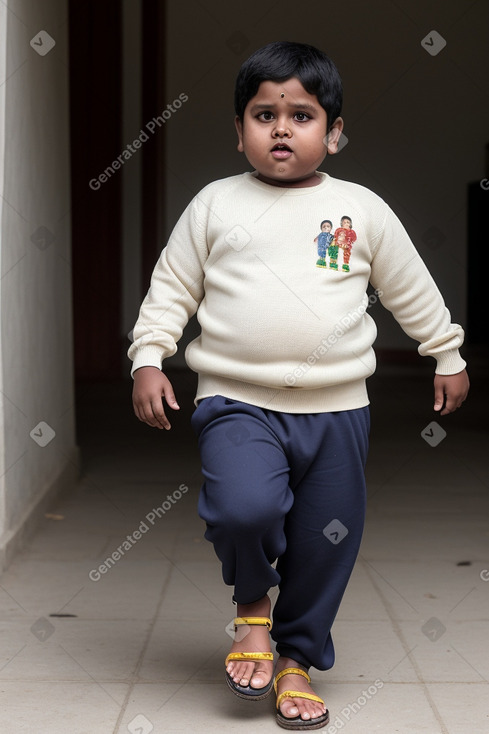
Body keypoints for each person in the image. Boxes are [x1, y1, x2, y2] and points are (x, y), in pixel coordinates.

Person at [128, 41, 469, 731]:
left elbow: (410, 288)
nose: (281, 128)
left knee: (325, 540)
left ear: (333, 134)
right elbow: (170, 290)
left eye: (301, 114)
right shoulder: (214, 205)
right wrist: (148, 357)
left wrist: (445, 352)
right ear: (238, 131)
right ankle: (253, 604)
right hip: (235, 400)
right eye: (263, 113)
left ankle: (296, 659)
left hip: (337, 409)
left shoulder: (360, 210)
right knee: (242, 508)